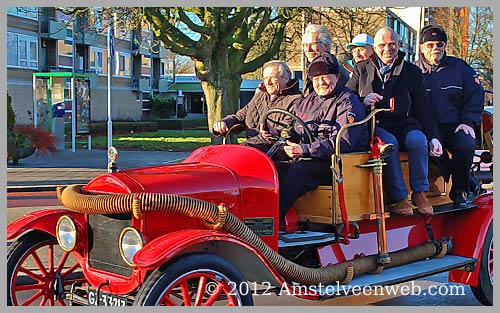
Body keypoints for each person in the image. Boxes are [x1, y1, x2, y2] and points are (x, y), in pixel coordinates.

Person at [347, 27, 443, 215]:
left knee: (418, 140)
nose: (387, 49)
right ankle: (399, 198)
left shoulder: (412, 72)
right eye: (382, 45)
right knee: (388, 145)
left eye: (392, 44)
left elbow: (423, 108)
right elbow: (346, 99)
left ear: (399, 45)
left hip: (405, 123)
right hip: (377, 124)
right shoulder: (361, 69)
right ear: (374, 47)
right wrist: (363, 101)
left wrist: (434, 137)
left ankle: (419, 192)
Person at [276, 52, 369, 222]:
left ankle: (272, 221)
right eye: (316, 79)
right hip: (308, 157)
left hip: (337, 165)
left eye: (325, 77)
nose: (321, 82)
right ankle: (256, 219)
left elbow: (343, 143)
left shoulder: (348, 103)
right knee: (272, 168)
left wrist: (303, 150)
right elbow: (294, 128)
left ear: (337, 76)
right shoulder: (306, 101)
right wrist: (286, 137)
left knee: (298, 172)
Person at [415, 24, 485, 207]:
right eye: (429, 45)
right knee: (425, 146)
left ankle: (461, 190)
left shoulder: (460, 68)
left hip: (455, 125)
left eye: (439, 44)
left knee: (466, 144)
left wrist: (468, 122)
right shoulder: (412, 72)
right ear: (422, 47)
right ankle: (466, 179)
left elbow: (476, 96)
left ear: (445, 46)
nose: (435, 49)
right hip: (427, 128)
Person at [212, 60, 301, 154]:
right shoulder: (260, 96)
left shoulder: (297, 101)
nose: (268, 82)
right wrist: (224, 123)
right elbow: (240, 116)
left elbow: (287, 132)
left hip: (276, 154)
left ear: (286, 78)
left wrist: (271, 133)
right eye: (265, 78)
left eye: (272, 77)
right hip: (252, 149)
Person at [301, 24, 350, 96]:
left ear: (326, 46)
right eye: (305, 45)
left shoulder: (335, 70)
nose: (308, 49)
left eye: (313, 44)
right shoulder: (310, 68)